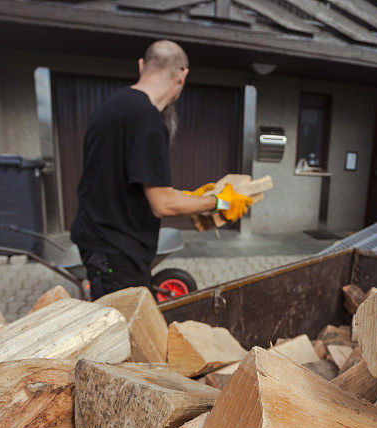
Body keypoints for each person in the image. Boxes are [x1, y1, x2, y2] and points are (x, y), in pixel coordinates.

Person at [70, 40, 253, 299]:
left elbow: (125, 182)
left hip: (101, 244)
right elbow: (163, 205)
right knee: (128, 334)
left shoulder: (111, 107)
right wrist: (221, 203)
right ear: (183, 75)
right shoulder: (147, 120)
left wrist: (188, 198)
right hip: (117, 253)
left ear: (142, 65)